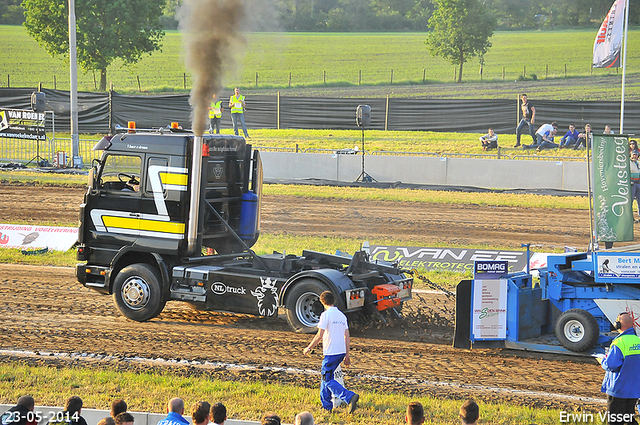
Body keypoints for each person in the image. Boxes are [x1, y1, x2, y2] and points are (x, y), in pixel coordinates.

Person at [303, 291, 359, 413]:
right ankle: (326, 406)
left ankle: (349, 396)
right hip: (341, 352)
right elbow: (347, 336)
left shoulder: (325, 315)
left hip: (331, 353)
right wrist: (347, 355)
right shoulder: (341, 316)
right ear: (333, 300)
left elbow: (319, 335)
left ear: (322, 302)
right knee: (326, 377)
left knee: (327, 378)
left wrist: (309, 347)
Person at [599, 312, 640, 425]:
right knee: (629, 418)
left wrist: (602, 361)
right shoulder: (638, 341)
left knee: (615, 421)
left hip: (619, 390)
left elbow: (611, 365)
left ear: (618, 325)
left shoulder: (619, 343)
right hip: (634, 390)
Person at [631, 151, 640, 224]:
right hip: (632, 184)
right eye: (633, 155)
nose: (635, 156)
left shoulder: (638, 163)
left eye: (636, 155)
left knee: (639, 201)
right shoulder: (628, 163)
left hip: (638, 183)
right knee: (630, 201)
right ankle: (630, 217)